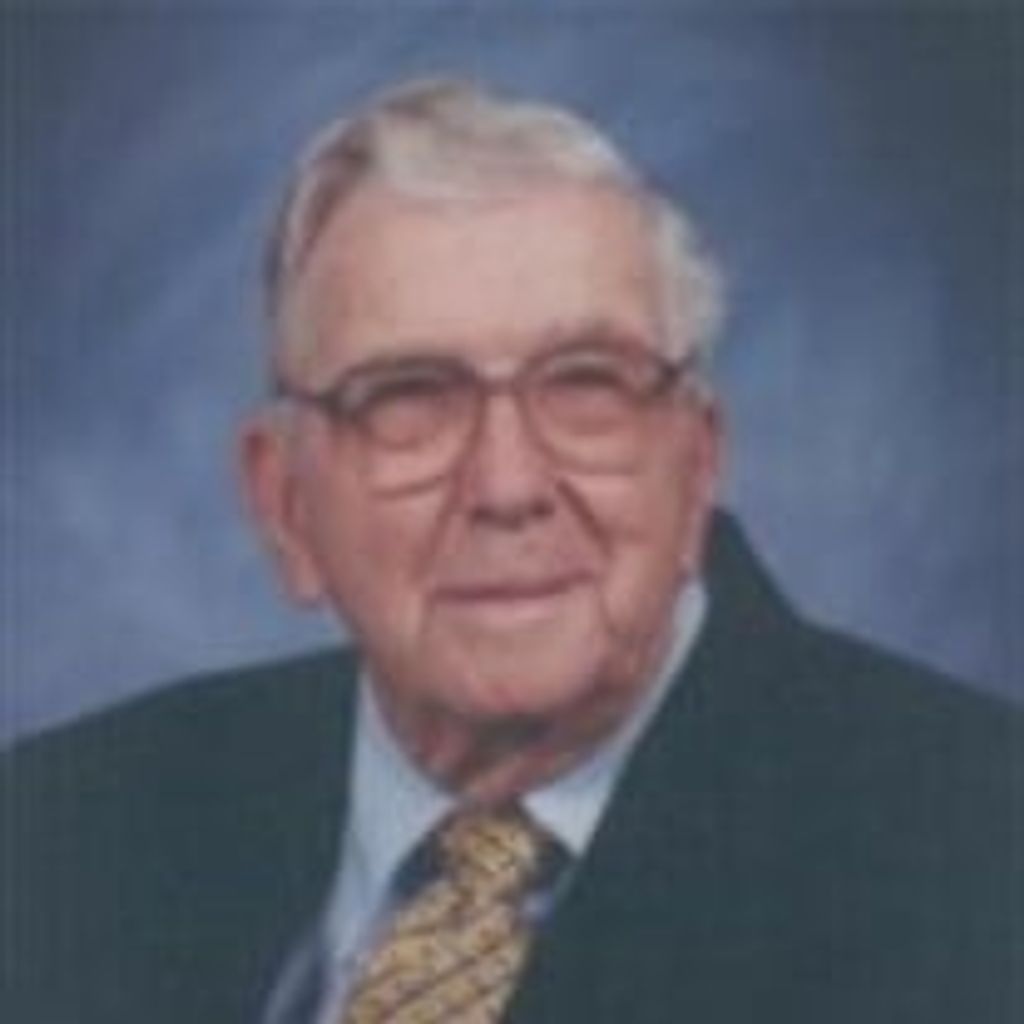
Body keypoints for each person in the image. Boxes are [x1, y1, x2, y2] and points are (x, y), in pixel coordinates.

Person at [3, 79, 1019, 1024]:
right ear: (285, 505)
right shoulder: (60, 833)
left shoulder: (973, 848)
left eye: (586, 385)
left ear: (697, 462)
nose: (506, 486)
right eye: (408, 398)